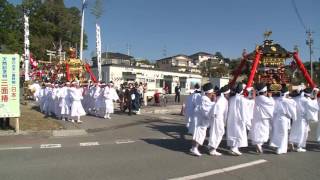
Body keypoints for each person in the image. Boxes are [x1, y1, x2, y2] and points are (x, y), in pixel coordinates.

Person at [289, 87, 319, 152]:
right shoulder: (306, 100)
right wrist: (315, 95)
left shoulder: (297, 98)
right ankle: (299, 147)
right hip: (303, 119)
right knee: (303, 132)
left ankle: (291, 141)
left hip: (296, 117)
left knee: (294, 130)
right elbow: (315, 107)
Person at [190, 83, 215, 156]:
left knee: (198, 134)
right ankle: (194, 148)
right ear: (209, 93)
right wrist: (214, 103)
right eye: (211, 93)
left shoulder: (204, 98)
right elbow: (207, 109)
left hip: (200, 119)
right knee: (199, 134)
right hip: (201, 120)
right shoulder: (205, 99)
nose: (212, 95)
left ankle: (194, 148)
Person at [226, 83, 252, 156]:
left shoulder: (231, 98)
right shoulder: (241, 99)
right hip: (239, 119)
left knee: (233, 133)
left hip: (231, 119)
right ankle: (234, 148)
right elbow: (244, 111)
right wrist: (247, 121)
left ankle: (233, 148)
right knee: (238, 134)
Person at [270, 87, 297, 154]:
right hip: (284, 119)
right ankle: (281, 149)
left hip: (276, 118)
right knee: (283, 134)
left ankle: (278, 146)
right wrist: (294, 117)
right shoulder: (289, 101)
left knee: (277, 132)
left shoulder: (276, 100)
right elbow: (293, 110)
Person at [249, 83, 275, 153]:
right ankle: (259, 144)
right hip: (263, 116)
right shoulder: (264, 98)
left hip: (256, 115)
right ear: (265, 92)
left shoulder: (257, 97)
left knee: (256, 129)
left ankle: (258, 144)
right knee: (263, 131)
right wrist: (270, 97)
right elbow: (272, 103)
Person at [208, 85, 230, 156]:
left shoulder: (221, 98)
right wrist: (224, 121)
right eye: (228, 94)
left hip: (216, 118)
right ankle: (213, 149)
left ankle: (211, 146)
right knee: (218, 133)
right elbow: (218, 109)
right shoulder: (222, 100)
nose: (229, 95)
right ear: (226, 94)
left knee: (214, 133)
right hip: (218, 118)